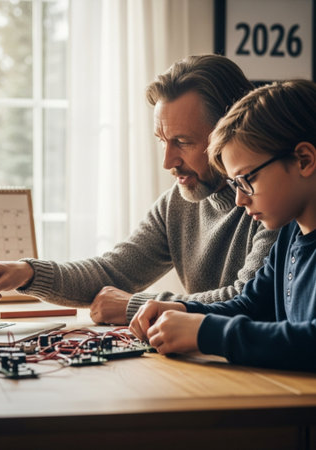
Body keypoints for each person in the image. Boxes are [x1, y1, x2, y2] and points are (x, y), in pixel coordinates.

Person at [0, 54, 278, 325]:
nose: (168, 161)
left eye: (183, 142)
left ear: (230, 130)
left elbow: (245, 299)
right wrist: (26, 273)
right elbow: (112, 271)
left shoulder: (274, 201)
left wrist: (135, 306)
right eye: (162, 141)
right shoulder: (176, 203)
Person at [130, 79, 316, 371]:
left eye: (247, 180)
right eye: (234, 184)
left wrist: (205, 333)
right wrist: (184, 310)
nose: (240, 199)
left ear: (304, 160)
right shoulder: (291, 234)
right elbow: (248, 306)